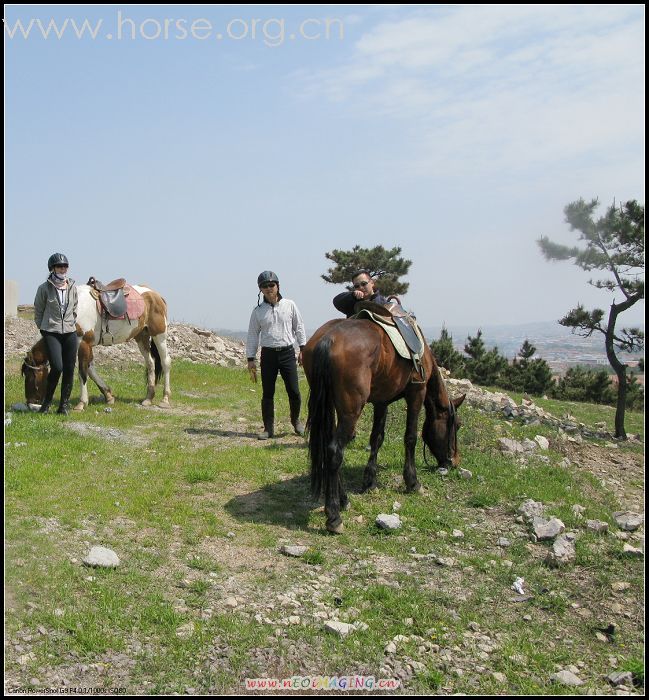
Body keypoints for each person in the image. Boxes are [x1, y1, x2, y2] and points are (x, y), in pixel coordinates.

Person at [246, 271, 307, 440]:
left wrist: (303, 349)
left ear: (278, 286)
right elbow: (252, 335)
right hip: (268, 355)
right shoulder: (258, 311)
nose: (268, 289)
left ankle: (296, 422)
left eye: (271, 285)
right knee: (268, 393)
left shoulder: (290, 305)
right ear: (260, 289)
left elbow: (299, 327)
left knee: (294, 391)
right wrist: (250, 359)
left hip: (287, 353)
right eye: (264, 286)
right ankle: (268, 428)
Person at [33, 253, 79, 414]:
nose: (63, 269)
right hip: (51, 332)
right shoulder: (44, 288)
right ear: (52, 268)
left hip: (69, 332)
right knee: (57, 367)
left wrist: (70, 323)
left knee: (69, 369)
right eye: (59, 266)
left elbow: (74, 308)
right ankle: (46, 403)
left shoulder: (73, 286)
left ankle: (63, 406)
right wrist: (44, 329)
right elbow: (38, 310)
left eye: (65, 266)